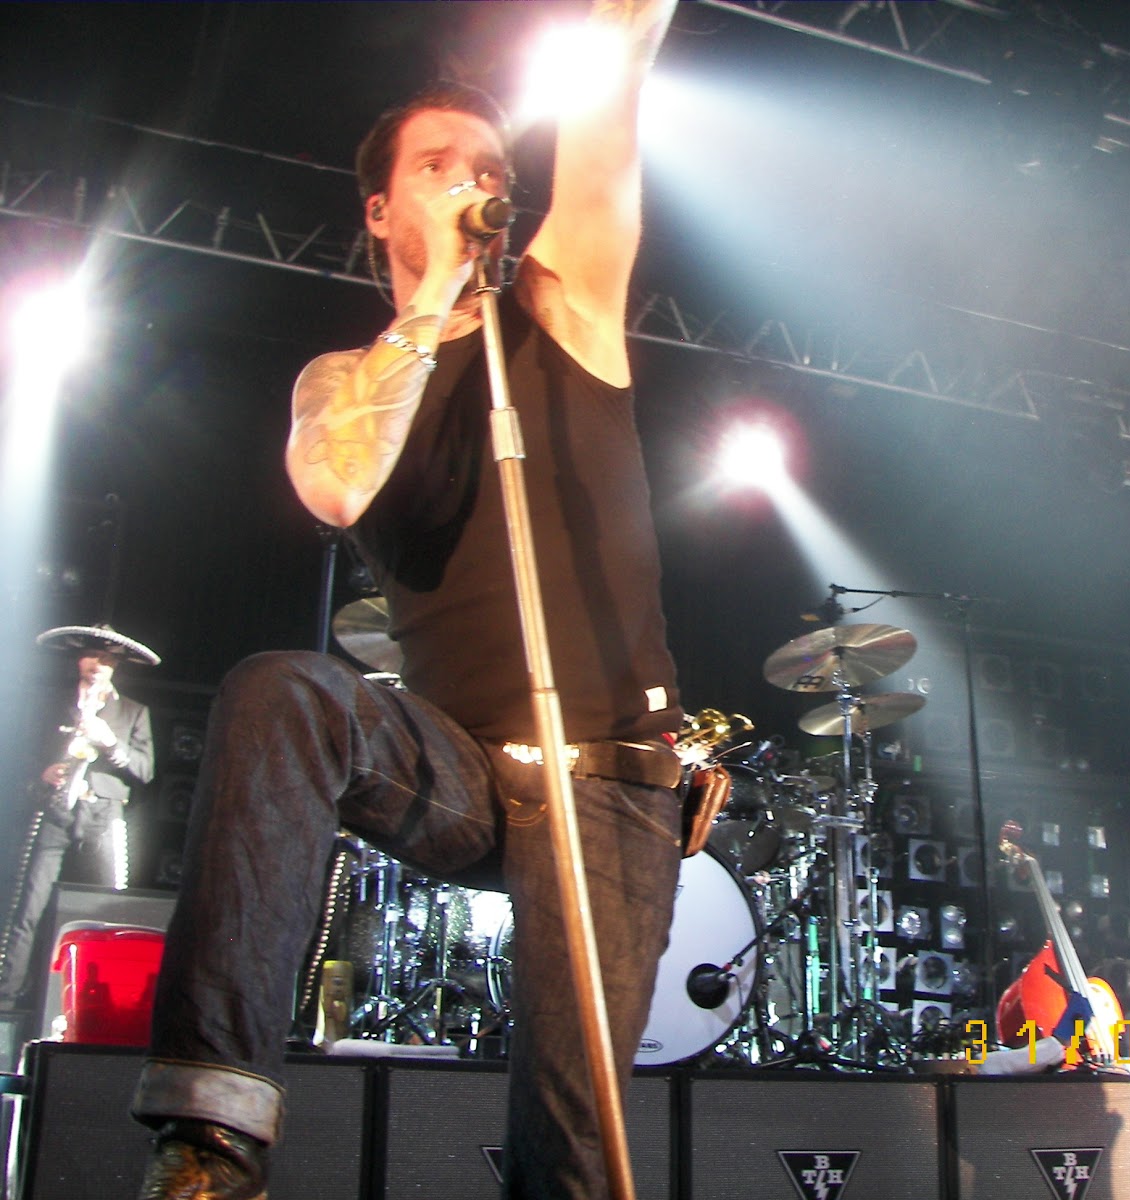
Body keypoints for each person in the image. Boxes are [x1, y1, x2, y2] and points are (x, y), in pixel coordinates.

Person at [132, 3, 683, 1197]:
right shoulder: (344, 378)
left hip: (608, 782)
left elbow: (615, 82)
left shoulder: (564, 304)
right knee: (283, 692)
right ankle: (210, 1146)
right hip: (465, 771)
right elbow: (335, 488)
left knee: (568, 1151)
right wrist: (432, 298)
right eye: (437, 167)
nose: (473, 184)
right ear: (380, 209)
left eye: (488, 169)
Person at [0, 625, 157, 1009]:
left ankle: (107, 1000)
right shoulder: (52, 704)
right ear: (78, 659)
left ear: (116, 665)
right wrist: (42, 773)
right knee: (27, 907)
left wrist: (110, 743)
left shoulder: (132, 711)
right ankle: (6, 1000)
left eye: (106, 659)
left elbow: (145, 770)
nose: (97, 664)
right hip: (55, 811)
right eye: (91, 656)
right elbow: (19, 753)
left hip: (103, 815)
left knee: (111, 905)